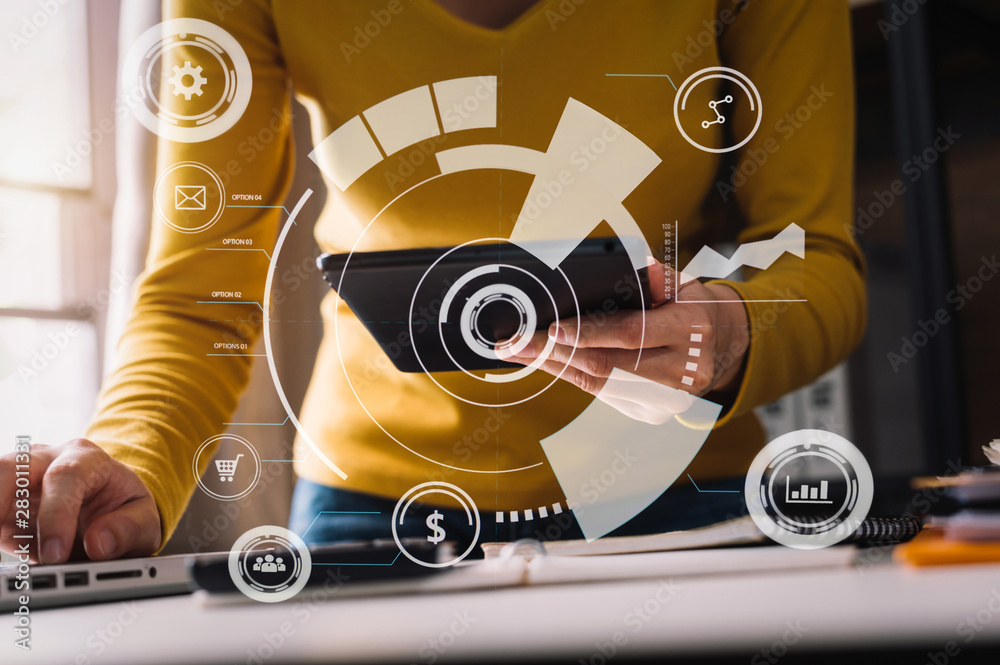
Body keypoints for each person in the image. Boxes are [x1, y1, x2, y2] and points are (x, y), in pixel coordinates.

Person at [0, 0, 865, 563]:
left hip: (686, 508)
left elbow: (819, 256)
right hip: (373, 514)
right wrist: (132, 457)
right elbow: (203, 292)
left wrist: (735, 326)